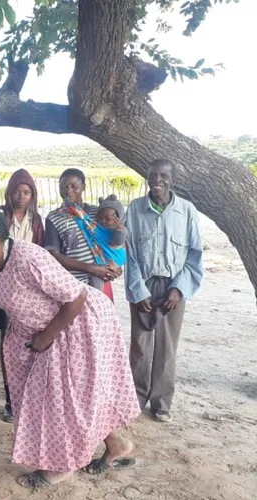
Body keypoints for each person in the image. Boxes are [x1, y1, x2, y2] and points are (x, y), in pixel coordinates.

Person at [0, 204, 140, 490]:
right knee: (62, 398)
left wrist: (47, 337)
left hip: (75, 324)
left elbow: (76, 297)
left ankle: (59, 467)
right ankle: (116, 444)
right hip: (34, 333)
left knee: (60, 399)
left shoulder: (29, 258)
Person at [125, 159, 203, 423]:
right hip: (144, 285)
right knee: (140, 345)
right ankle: (136, 398)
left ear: (173, 179)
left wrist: (179, 289)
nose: (157, 180)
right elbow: (130, 254)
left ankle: (161, 403)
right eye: (152, 175)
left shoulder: (187, 211)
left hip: (173, 286)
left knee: (167, 347)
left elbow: (194, 254)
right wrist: (139, 290)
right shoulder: (135, 209)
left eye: (163, 175)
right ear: (146, 178)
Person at [0, 169, 45, 423]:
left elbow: (42, 254)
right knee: (8, 343)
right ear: (9, 192)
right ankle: (9, 399)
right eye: (16, 191)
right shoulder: (1, 216)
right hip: (6, 286)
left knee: (30, 343)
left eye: (26, 192)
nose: (21, 196)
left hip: (29, 290)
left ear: (32, 194)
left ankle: (27, 398)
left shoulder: (36, 220)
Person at [45, 168, 120, 291]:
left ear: (83, 187)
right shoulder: (53, 218)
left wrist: (117, 266)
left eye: (74, 186)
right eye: (63, 186)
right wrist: (89, 268)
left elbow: (114, 241)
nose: (68, 190)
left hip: (103, 281)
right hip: (73, 285)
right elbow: (53, 255)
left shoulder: (97, 213)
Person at [89, 195, 128, 300]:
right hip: (105, 261)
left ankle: (97, 298)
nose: (103, 221)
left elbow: (118, 242)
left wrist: (120, 229)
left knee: (98, 284)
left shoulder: (116, 230)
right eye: (100, 218)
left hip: (111, 261)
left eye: (107, 219)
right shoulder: (99, 227)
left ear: (117, 219)